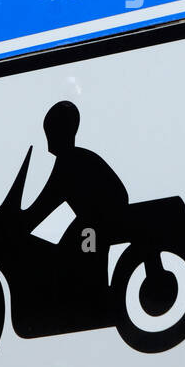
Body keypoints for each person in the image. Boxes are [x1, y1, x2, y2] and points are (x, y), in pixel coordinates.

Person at [21, 101, 128, 265]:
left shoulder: (69, 162)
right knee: (75, 237)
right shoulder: (73, 158)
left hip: (100, 220)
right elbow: (46, 202)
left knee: (81, 244)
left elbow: (46, 203)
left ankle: (92, 283)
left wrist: (22, 224)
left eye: (52, 130)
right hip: (95, 218)